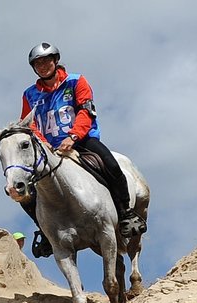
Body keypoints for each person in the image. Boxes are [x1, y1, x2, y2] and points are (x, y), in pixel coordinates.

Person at [20, 41, 144, 253]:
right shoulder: (30, 94)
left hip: (82, 140)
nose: (43, 66)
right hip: (48, 148)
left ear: (55, 61)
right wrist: (45, 144)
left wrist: (73, 136)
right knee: (25, 190)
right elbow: (28, 124)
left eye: (46, 61)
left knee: (112, 166)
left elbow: (86, 112)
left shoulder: (76, 81)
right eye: (38, 63)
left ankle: (126, 214)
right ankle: (46, 230)